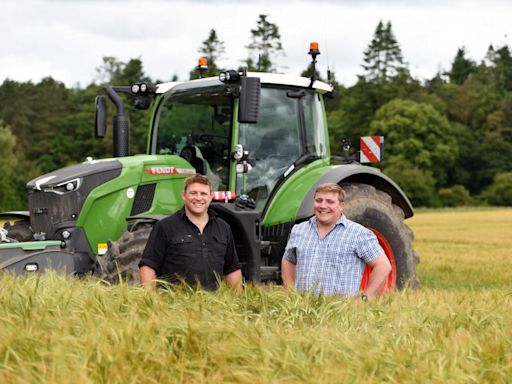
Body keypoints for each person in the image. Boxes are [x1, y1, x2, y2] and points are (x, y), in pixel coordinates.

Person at [281, 183, 391, 301]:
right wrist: (290, 292)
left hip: (341, 313)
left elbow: (383, 266)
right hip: (303, 311)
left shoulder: (358, 233)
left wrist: (365, 299)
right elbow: (288, 260)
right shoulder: (299, 230)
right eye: (319, 200)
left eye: (330, 202)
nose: (323, 206)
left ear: (341, 205)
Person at [139, 174, 243, 291]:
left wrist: (237, 302)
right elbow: (148, 266)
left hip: (213, 305)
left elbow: (232, 269)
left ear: (210, 197)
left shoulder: (224, 228)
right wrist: (150, 301)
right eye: (193, 193)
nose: (198, 198)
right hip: (174, 305)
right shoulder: (165, 227)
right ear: (184, 195)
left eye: (203, 194)